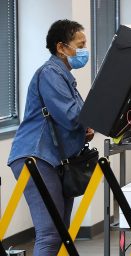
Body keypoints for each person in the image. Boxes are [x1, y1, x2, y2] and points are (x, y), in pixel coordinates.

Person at [7, 19, 94, 255]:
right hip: (36, 156)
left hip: (54, 158)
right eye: (80, 44)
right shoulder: (50, 73)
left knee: (61, 232)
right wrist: (90, 116)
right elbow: (69, 115)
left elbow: (73, 118)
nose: (84, 49)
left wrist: (86, 127)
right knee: (50, 232)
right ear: (61, 47)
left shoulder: (65, 77)